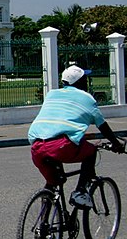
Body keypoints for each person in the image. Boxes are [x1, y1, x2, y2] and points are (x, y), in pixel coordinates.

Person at [28, 65, 125, 209]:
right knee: (91, 151)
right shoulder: (87, 99)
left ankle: (42, 225)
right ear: (79, 82)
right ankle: (80, 192)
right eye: (85, 79)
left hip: (37, 147)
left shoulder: (51, 94)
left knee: (53, 183)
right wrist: (116, 144)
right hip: (61, 146)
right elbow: (102, 126)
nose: (87, 82)